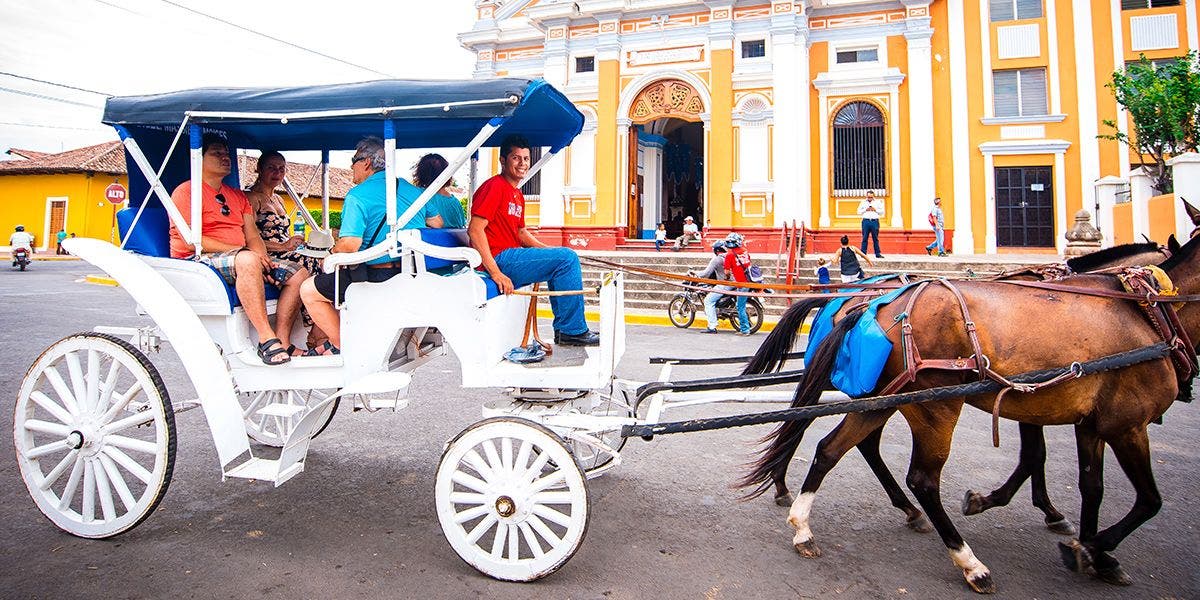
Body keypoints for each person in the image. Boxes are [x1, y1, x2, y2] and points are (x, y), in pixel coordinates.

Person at [168, 134, 307, 365]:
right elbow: (192, 239)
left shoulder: (236, 196)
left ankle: (283, 340)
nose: (225, 158)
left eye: (226, 153)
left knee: (299, 273)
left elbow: (252, 234)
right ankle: (266, 338)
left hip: (240, 256)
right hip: (199, 259)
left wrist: (263, 259)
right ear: (199, 159)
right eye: (217, 153)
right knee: (248, 260)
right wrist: (246, 254)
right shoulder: (186, 192)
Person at [300, 136, 443, 354]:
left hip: (376, 278)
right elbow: (437, 223)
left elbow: (350, 244)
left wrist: (330, 254)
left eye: (353, 161)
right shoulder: (413, 191)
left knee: (309, 290)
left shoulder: (358, 195)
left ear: (366, 162)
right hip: (411, 275)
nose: (351, 168)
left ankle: (340, 343)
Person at [468, 134, 598, 346]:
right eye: (516, 158)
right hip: (501, 258)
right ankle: (571, 330)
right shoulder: (494, 187)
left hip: (512, 255)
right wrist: (495, 272)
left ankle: (567, 329)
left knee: (563, 258)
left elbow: (521, 233)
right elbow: (475, 230)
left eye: (526, 159)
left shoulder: (516, 194)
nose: (522, 164)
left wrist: (548, 251)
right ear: (503, 160)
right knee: (565, 258)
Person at [246, 151, 327, 353]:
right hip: (266, 254)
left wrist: (294, 243)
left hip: (286, 251)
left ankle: (319, 328)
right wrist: (283, 247)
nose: (277, 173)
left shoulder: (279, 200)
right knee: (310, 263)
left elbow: (282, 233)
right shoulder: (251, 198)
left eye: (281, 168)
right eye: (271, 168)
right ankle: (305, 334)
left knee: (324, 260)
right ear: (259, 169)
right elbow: (248, 238)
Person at [705, 232, 752, 336]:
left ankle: (745, 330)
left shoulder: (729, 255)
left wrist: (726, 279)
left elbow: (727, 272)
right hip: (748, 281)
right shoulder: (744, 251)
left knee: (740, 307)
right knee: (740, 306)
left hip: (741, 283)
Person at [414, 153, 467, 228]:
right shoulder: (455, 202)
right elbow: (461, 225)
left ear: (421, 173)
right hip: (454, 239)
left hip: (428, 239)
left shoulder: (420, 197)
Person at [693, 241, 728, 333]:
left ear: (716, 250)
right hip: (735, 284)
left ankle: (712, 326)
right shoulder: (729, 256)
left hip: (724, 285)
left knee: (708, 301)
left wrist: (695, 273)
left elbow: (706, 273)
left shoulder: (717, 259)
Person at [856, 190, 885, 258]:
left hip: (874, 221)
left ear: (873, 196)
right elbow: (858, 212)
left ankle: (877, 253)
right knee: (864, 238)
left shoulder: (878, 202)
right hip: (866, 221)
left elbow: (882, 212)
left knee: (875, 238)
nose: (870, 198)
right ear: (866, 196)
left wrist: (875, 210)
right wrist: (866, 209)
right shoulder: (863, 202)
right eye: (868, 197)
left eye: (871, 197)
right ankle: (863, 253)